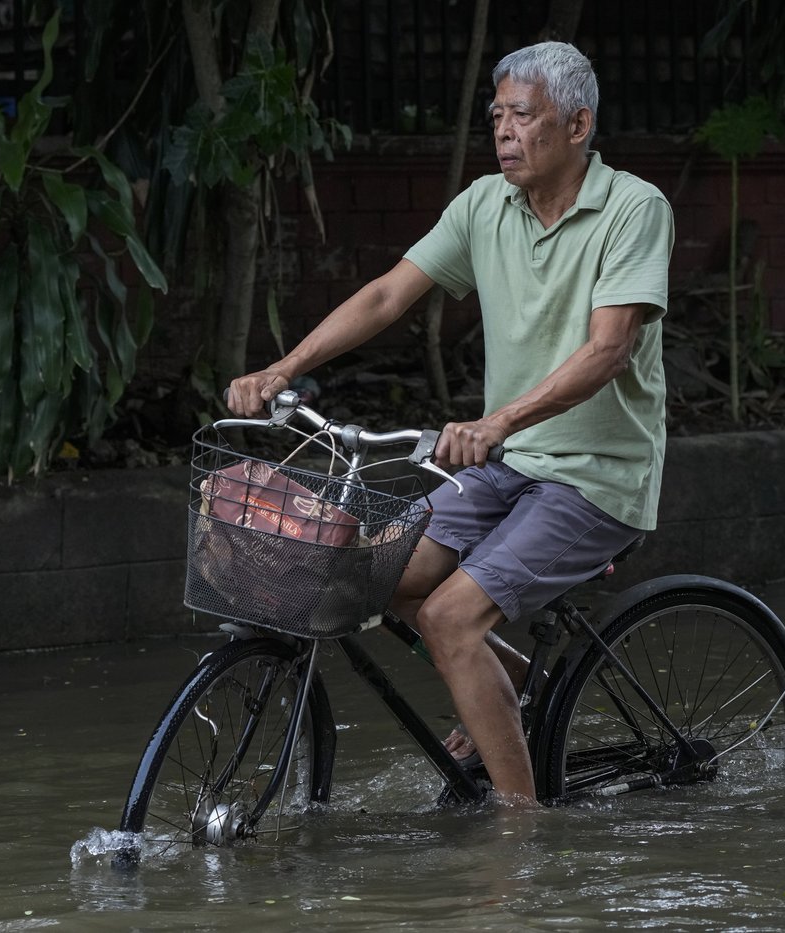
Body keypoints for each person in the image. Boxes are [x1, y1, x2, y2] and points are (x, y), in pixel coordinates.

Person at [227, 41, 674, 805]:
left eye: (521, 115)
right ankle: (517, 684)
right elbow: (384, 297)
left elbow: (608, 351)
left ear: (576, 125)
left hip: (598, 476)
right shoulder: (482, 206)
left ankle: (521, 836)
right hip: (506, 461)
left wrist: (498, 420)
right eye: (496, 114)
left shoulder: (635, 209)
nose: (502, 130)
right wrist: (282, 367)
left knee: (451, 618)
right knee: (381, 573)